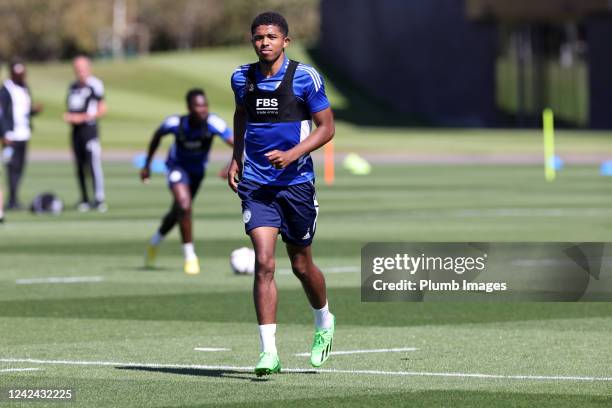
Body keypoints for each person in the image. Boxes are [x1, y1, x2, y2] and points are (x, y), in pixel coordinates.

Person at [228, 11, 336, 376]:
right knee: (264, 263)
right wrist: (235, 158)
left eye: (271, 37)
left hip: (296, 185)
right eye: (258, 37)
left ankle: (323, 322)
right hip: (257, 186)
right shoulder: (242, 78)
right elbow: (241, 114)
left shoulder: (305, 78)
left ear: (285, 41)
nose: (264, 43)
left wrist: (293, 154)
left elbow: (327, 128)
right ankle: (268, 352)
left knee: (301, 265)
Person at [141, 88, 233, 275]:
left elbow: (239, 144)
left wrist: (231, 166)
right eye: (198, 106)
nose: (203, 109)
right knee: (184, 206)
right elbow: (157, 136)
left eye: (205, 105)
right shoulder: (176, 123)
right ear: (189, 107)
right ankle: (190, 257)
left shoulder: (213, 123)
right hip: (177, 168)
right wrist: (147, 165)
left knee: (178, 212)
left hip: (197, 173)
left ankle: (154, 242)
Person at [64, 55, 107, 212]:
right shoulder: (73, 86)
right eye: (77, 69)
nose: (80, 72)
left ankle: (99, 198)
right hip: (76, 132)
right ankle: (84, 198)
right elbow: (71, 107)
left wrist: (82, 117)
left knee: (93, 165)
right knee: (80, 166)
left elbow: (102, 109)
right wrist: (70, 117)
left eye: (82, 68)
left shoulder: (95, 85)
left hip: (90, 131)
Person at [0, 60, 43, 210]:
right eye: (17, 74)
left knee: (20, 168)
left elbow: (24, 110)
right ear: (12, 74)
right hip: (11, 136)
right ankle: (11, 200)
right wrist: (4, 133)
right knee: (12, 167)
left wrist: (34, 111)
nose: (20, 76)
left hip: (24, 133)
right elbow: (2, 114)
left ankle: (14, 198)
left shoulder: (25, 88)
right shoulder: (5, 90)